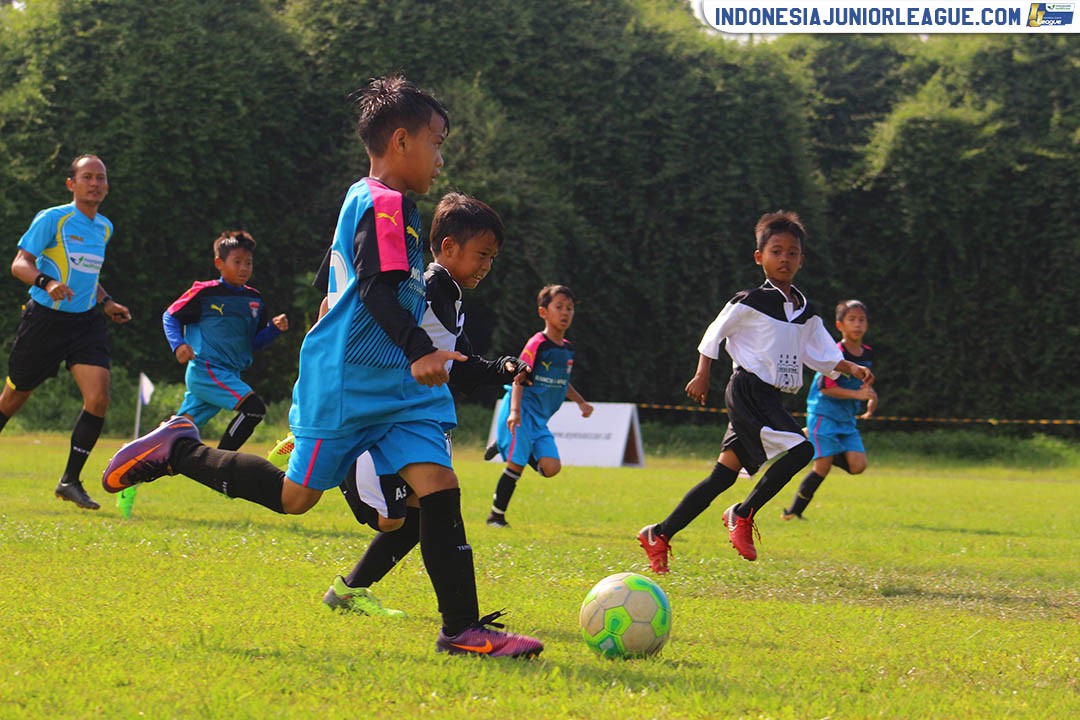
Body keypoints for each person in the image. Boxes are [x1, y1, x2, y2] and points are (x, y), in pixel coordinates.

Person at [102, 75, 543, 657]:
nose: (442, 158)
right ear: (402, 140)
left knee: (439, 486)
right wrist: (419, 350)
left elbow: (330, 289)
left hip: (397, 388)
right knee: (294, 498)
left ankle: (461, 630)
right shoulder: (382, 204)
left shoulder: (390, 210)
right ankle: (178, 449)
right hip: (349, 385)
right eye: (437, 143)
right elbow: (377, 291)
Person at [318, 192, 531, 617]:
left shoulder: (448, 294)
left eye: (493, 258)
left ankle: (349, 591)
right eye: (482, 255)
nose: (487, 266)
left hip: (410, 422)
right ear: (448, 247)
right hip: (383, 418)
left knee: (418, 516)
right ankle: (333, 455)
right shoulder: (429, 284)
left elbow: (463, 366)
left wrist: (502, 367)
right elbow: (373, 315)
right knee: (387, 520)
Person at [637, 211, 874, 570]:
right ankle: (742, 513)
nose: (784, 258)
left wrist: (850, 367)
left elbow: (820, 352)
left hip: (769, 397)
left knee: (722, 477)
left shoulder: (805, 310)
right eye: (776, 251)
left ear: (801, 259)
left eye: (792, 252)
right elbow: (713, 334)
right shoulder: (749, 301)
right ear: (759, 257)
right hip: (748, 390)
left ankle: (659, 533)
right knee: (803, 449)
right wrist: (703, 374)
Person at [0, 155, 131, 510]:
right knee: (13, 398)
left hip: (86, 323)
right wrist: (47, 281)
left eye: (101, 178)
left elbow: (90, 274)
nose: (95, 183)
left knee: (99, 399)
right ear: (71, 184)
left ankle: (70, 481)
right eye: (87, 177)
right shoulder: (53, 219)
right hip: (44, 320)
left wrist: (106, 302)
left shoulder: (104, 227)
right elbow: (20, 264)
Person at [163, 230, 288, 450]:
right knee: (254, 409)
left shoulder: (254, 299)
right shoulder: (204, 292)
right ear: (219, 263)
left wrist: (273, 330)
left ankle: (134, 465)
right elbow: (170, 316)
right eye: (237, 262)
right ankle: (221, 465)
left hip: (228, 374)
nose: (244, 268)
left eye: (248, 263)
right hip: (207, 370)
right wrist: (178, 345)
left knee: (176, 435)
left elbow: (253, 343)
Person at [484, 284, 593, 528]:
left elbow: (563, 382)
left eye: (570, 308)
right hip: (521, 413)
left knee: (551, 468)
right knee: (517, 465)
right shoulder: (537, 344)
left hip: (540, 421)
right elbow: (519, 378)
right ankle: (496, 517)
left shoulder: (568, 349)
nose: (565, 313)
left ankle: (503, 445)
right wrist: (514, 412)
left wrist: (581, 403)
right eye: (559, 307)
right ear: (543, 312)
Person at [781, 299, 876, 520]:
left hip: (846, 419)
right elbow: (826, 388)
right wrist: (858, 395)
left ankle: (810, 437)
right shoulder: (835, 352)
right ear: (839, 325)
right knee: (821, 467)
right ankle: (794, 512)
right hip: (824, 414)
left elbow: (865, 383)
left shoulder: (868, 353)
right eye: (851, 319)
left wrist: (871, 397)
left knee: (858, 466)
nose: (857, 324)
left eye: (861, 320)